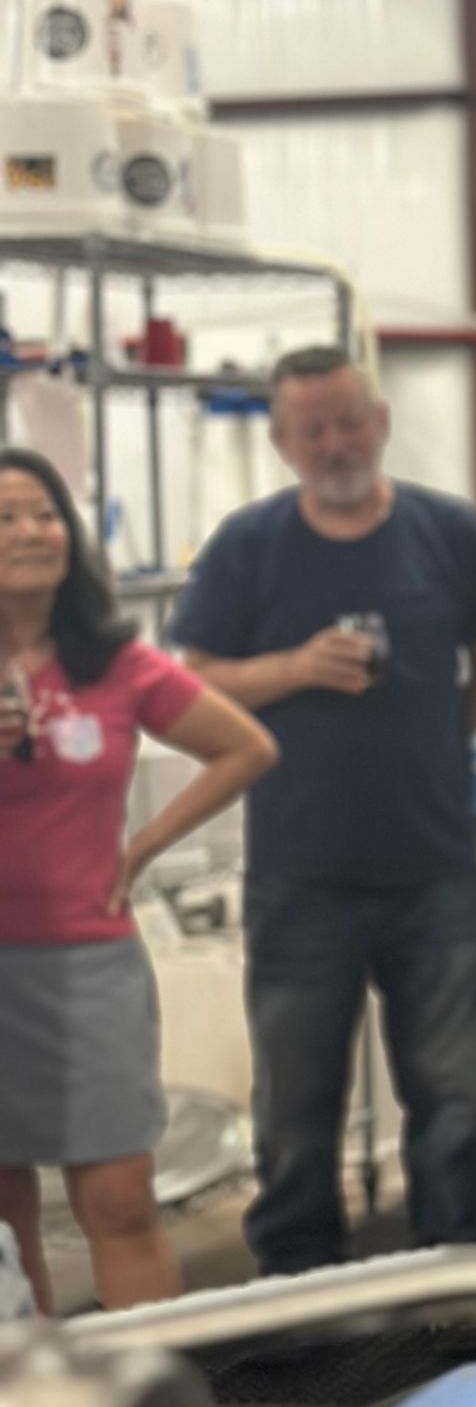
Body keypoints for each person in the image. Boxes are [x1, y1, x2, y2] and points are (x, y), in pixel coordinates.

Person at [170, 348, 476, 1275]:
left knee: (449, 1100)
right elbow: (189, 682)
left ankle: (451, 1284)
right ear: (283, 442)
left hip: (434, 869)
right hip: (300, 877)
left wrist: (434, 743)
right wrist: (293, 668)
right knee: (295, 1113)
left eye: (349, 422)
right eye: (314, 430)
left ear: (382, 422)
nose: (335, 444)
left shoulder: (446, 530)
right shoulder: (247, 545)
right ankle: (299, 1294)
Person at [0, 447, 277, 1311]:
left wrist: (142, 848)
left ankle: (153, 1386)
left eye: (45, 513)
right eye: (6, 516)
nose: (30, 531)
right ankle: (26, 1387)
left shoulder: (114, 665)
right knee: (3, 1220)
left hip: (88, 966)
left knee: (119, 1199)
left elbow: (247, 747)